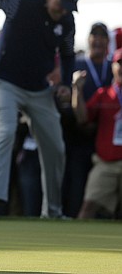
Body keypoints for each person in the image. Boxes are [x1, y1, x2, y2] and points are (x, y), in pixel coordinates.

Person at [0, 0, 81, 219]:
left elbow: (66, 55)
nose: (63, 11)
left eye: (69, 7)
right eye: (61, 3)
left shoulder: (66, 23)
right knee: (5, 130)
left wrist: (65, 83)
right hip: (5, 82)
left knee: (55, 145)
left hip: (38, 88)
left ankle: (52, 211)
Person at [62, 22, 113, 217]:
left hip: (104, 136)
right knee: (76, 183)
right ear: (88, 39)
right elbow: (63, 95)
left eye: (102, 36)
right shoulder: (76, 64)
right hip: (76, 137)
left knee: (101, 190)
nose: (98, 40)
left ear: (108, 41)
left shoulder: (113, 66)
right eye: (94, 35)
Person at [71, 48, 122, 219]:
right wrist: (77, 90)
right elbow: (82, 118)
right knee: (88, 207)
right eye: (119, 64)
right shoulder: (104, 94)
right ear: (113, 66)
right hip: (106, 163)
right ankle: (76, 245)